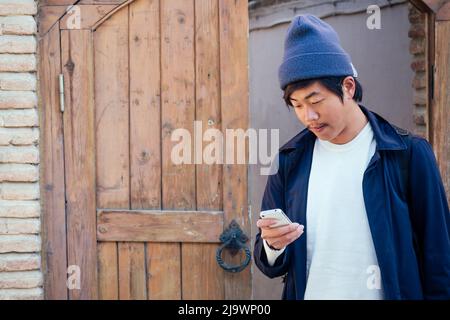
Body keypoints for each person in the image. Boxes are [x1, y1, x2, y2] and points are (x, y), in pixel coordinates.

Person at [253, 14, 450, 300]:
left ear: (348, 86)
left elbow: (440, 262)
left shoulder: (407, 154)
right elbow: (267, 262)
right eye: (297, 105)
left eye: (315, 100)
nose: (308, 116)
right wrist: (273, 245)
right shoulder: (288, 161)